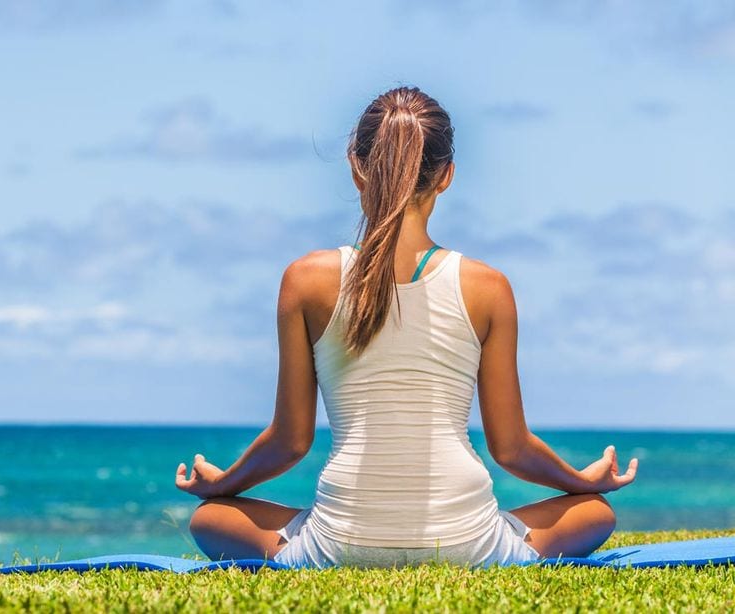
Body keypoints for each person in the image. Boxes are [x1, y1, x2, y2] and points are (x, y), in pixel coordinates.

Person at [174, 85, 638, 569]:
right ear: (446, 177)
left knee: (210, 519)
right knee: (594, 513)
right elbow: (512, 449)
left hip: (339, 545)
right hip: (469, 544)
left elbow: (291, 442)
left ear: (357, 168)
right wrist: (584, 483)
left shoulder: (305, 280)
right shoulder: (488, 287)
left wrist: (223, 484)